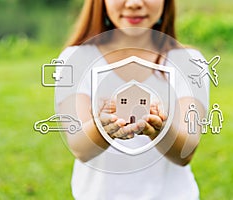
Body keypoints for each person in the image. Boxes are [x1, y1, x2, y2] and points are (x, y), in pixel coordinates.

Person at [56, 0, 209, 199]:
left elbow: (185, 153)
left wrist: (161, 129)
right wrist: (104, 127)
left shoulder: (189, 62)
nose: (134, 3)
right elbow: (80, 147)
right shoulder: (75, 59)